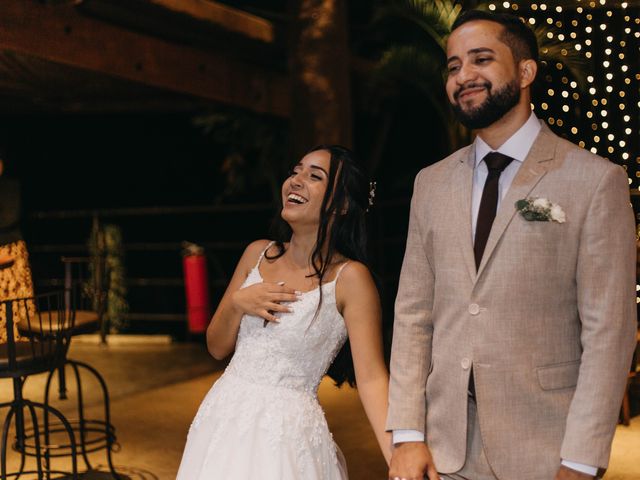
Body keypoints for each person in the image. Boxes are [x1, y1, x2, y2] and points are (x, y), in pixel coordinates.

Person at [387, 10, 637, 480]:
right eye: (454, 66)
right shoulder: (431, 183)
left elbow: (608, 332)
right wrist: (407, 433)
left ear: (525, 72)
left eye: (481, 59)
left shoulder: (595, 181)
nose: (464, 76)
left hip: (545, 449)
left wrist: (581, 460)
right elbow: (413, 314)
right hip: (444, 451)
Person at [177, 145, 391, 479]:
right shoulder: (257, 254)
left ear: (343, 204)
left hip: (287, 437)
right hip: (221, 420)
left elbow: (373, 378)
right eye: (295, 171)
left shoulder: (351, 279)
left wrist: (400, 455)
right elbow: (216, 347)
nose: (296, 180)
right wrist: (237, 303)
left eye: (314, 176)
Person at [0, 156, 35, 343]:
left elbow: (10, 217)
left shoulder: (10, 187)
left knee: (16, 304)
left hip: (11, 250)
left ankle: (19, 349)